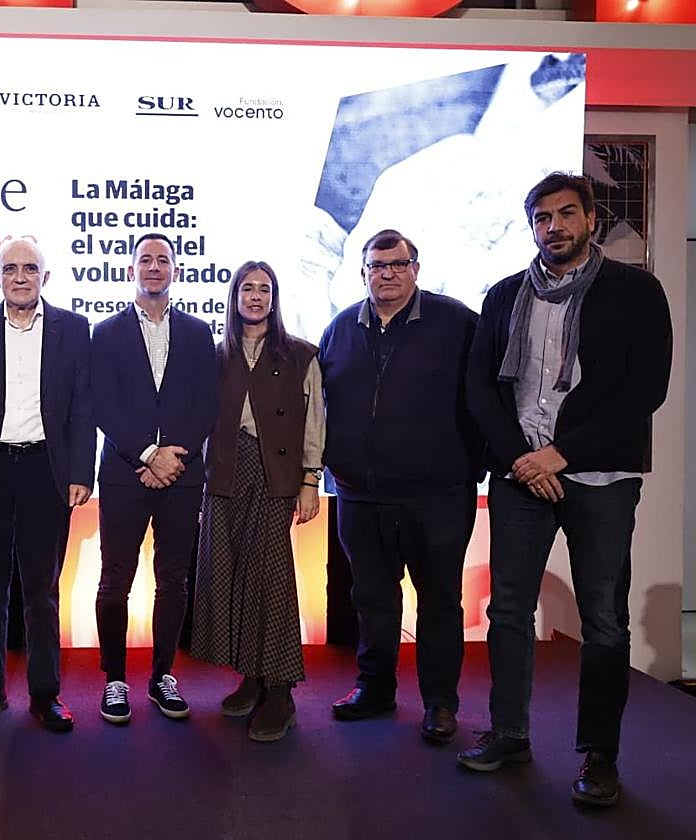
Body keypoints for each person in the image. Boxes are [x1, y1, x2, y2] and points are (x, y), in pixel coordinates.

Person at [459, 172, 672, 807]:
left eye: (565, 215)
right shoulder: (502, 297)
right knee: (507, 611)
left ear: (590, 218)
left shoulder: (636, 292)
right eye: (542, 218)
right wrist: (523, 459)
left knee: (604, 620)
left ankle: (599, 755)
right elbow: (480, 390)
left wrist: (561, 452)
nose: (554, 227)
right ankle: (509, 732)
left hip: (601, 477)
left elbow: (644, 390)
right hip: (521, 476)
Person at [318, 229, 480, 744]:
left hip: (438, 495)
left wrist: (470, 464)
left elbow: (487, 397)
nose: (387, 273)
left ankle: (439, 703)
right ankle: (375, 688)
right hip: (359, 495)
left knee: (438, 602)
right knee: (372, 600)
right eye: (376, 265)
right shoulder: (340, 328)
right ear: (362, 271)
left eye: (398, 263)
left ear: (416, 267)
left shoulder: (457, 323)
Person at [0, 238, 95, 733]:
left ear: (45, 277)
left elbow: (81, 409)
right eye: (11, 269)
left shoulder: (73, 329)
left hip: (44, 472)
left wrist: (80, 473)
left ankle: (45, 695)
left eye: (31, 268)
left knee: (41, 589)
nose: (21, 277)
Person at [190, 261, 323, 743]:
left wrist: (311, 480)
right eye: (247, 288)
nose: (255, 296)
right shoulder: (216, 355)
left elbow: (314, 423)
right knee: (229, 575)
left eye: (264, 289)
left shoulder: (301, 355)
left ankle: (281, 689)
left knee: (269, 579)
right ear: (234, 297)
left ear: (275, 297)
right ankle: (252, 673)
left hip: (275, 474)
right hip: (223, 474)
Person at [90, 233, 217, 725]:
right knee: (114, 581)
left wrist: (172, 459)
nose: (155, 267)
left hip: (182, 476)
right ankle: (115, 679)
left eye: (164, 259)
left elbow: (206, 402)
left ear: (175, 271)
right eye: (146, 259)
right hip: (125, 474)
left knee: (174, 579)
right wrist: (146, 454)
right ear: (131, 270)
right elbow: (104, 403)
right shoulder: (106, 332)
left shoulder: (198, 332)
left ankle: (163, 675)